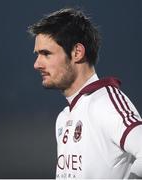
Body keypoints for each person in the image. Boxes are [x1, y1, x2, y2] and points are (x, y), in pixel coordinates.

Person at [28, 7, 142, 179]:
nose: (37, 64)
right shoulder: (64, 117)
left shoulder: (105, 103)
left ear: (77, 52)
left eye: (46, 53)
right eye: (38, 54)